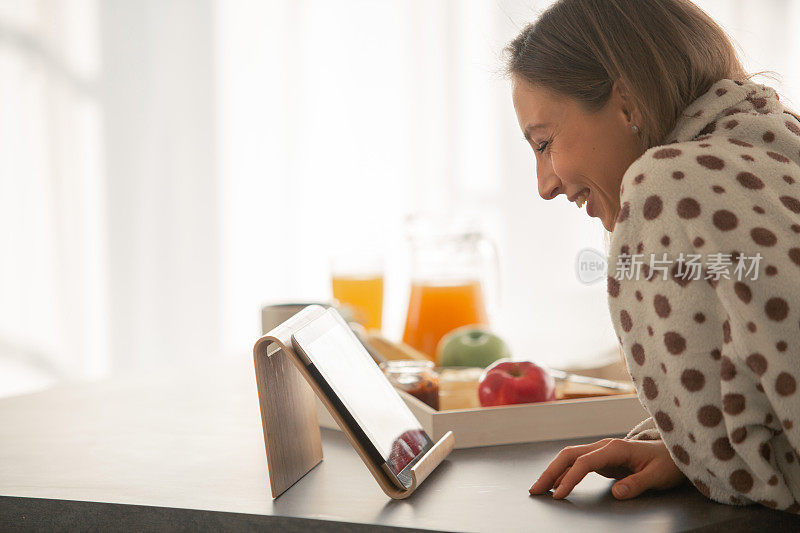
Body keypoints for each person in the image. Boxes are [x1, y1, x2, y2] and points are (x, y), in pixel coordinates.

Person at [508, 0, 800, 513]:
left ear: (627, 103)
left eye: (544, 143)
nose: (545, 184)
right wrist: (693, 452)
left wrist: (717, 460)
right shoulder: (770, 144)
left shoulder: (672, 181)